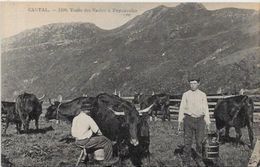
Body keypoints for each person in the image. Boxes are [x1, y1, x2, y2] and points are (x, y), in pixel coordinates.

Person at [178, 77, 211, 167]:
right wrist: (180, 121)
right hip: (188, 120)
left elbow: (206, 109)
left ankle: (199, 160)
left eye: (195, 83)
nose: (193, 85)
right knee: (187, 142)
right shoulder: (186, 94)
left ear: (198, 84)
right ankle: (186, 162)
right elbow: (182, 108)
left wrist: (208, 122)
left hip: (200, 120)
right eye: (191, 83)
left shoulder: (202, 95)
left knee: (199, 142)